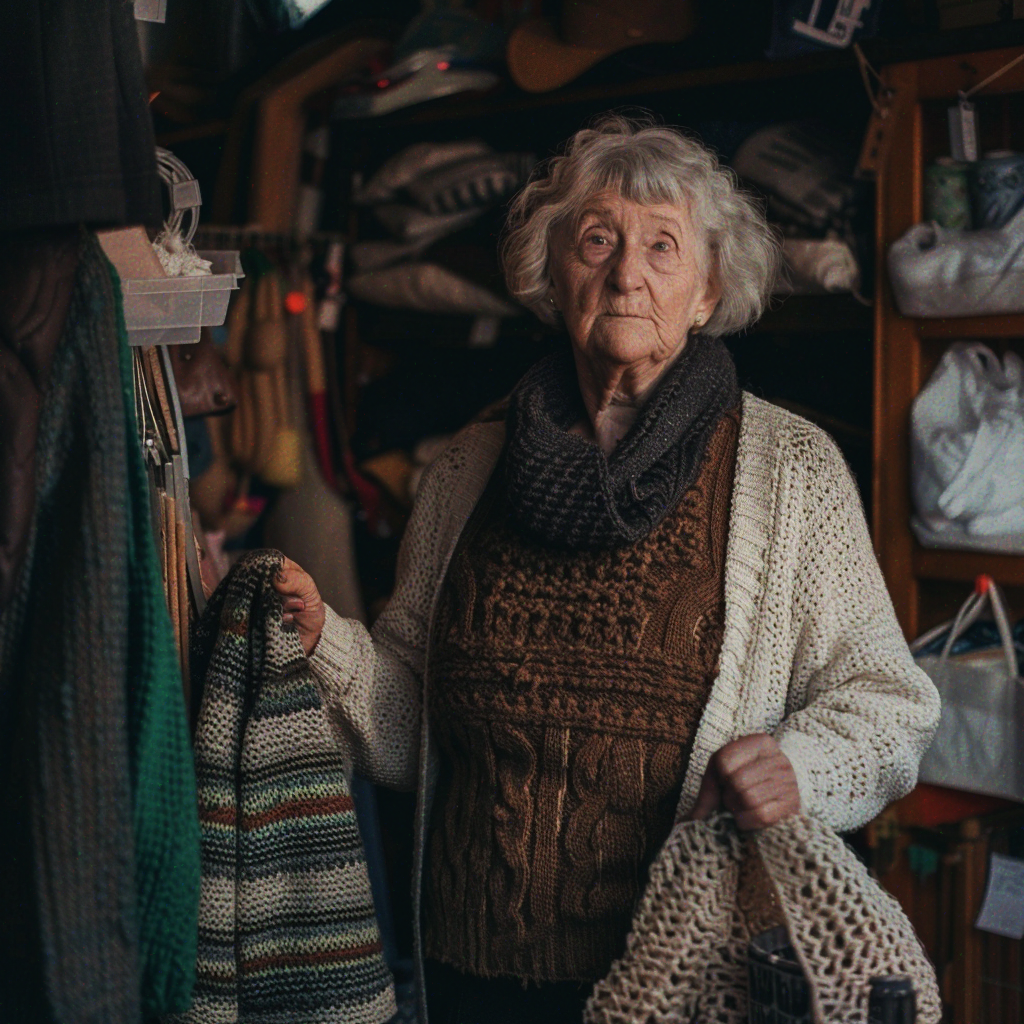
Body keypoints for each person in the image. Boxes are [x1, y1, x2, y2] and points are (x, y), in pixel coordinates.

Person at [273, 115, 940, 1024]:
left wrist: (801, 765)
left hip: (684, 978)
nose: (627, 273)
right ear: (553, 275)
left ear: (706, 291)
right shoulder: (467, 467)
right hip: (468, 977)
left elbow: (890, 705)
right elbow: (409, 729)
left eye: (663, 247)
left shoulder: (792, 470)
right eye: (597, 240)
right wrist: (323, 643)